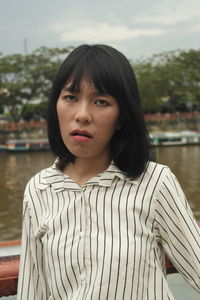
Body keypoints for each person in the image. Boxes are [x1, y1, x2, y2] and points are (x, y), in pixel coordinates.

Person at [17, 44, 200, 300]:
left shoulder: (155, 184)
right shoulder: (39, 190)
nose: (82, 115)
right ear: (55, 104)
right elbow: (32, 289)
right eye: (70, 97)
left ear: (122, 117)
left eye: (101, 102)